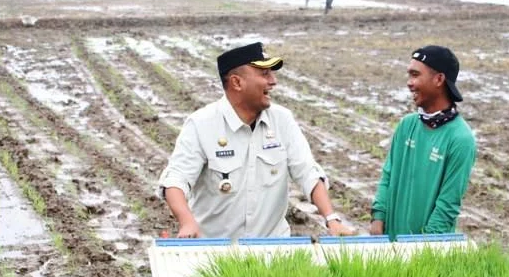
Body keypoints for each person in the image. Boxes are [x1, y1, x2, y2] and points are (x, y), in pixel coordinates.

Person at [158, 42, 355, 239]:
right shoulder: (201, 124)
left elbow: (307, 173)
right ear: (237, 82)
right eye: (264, 74)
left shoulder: (282, 120)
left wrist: (331, 219)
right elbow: (176, 180)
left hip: (272, 249)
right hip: (215, 249)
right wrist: (187, 222)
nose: (273, 81)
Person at [370, 46, 476, 237]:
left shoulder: (460, 138)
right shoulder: (406, 126)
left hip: (427, 251)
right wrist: (378, 218)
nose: (409, 83)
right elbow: (387, 176)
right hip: (389, 245)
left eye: (415, 75)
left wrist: (422, 248)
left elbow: (447, 205)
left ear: (439, 79)